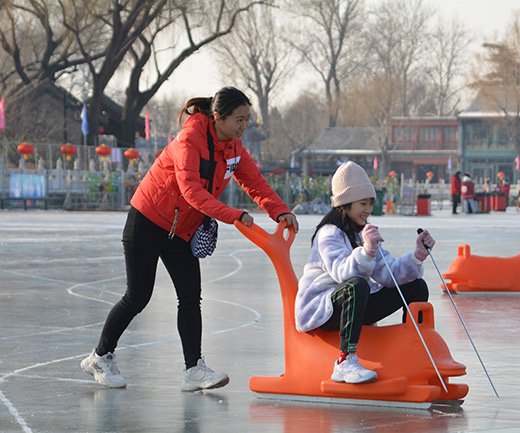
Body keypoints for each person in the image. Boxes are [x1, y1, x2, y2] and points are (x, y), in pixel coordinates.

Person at [81, 87, 299, 390]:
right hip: (147, 222)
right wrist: (232, 214)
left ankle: (193, 369)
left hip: (182, 229)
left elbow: (255, 182)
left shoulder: (233, 147)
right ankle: (99, 357)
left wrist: (280, 211)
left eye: (248, 119)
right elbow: (191, 190)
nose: (244, 125)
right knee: (138, 296)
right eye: (239, 119)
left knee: (190, 296)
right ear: (218, 117)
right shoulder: (190, 139)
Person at [295, 161, 433, 384]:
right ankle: (344, 361)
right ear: (345, 204)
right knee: (356, 285)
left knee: (416, 285)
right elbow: (342, 273)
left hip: (354, 304)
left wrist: (417, 255)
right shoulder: (328, 234)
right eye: (362, 203)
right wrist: (367, 251)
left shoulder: (361, 234)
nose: (368, 210)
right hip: (324, 309)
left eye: (370, 203)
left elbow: (389, 273)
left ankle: (413, 347)